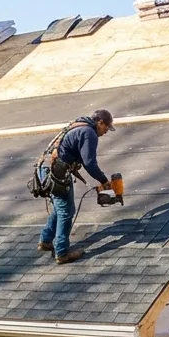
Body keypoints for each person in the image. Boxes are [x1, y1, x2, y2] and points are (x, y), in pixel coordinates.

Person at [36, 108, 115, 264]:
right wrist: (104, 181)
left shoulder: (80, 124)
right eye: (106, 127)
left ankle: (45, 240)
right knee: (66, 212)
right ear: (100, 122)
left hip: (46, 168)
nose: (106, 131)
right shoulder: (89, 133)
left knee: (61, 208)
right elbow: (90, 163)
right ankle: (62, 253)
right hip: (56, 173)